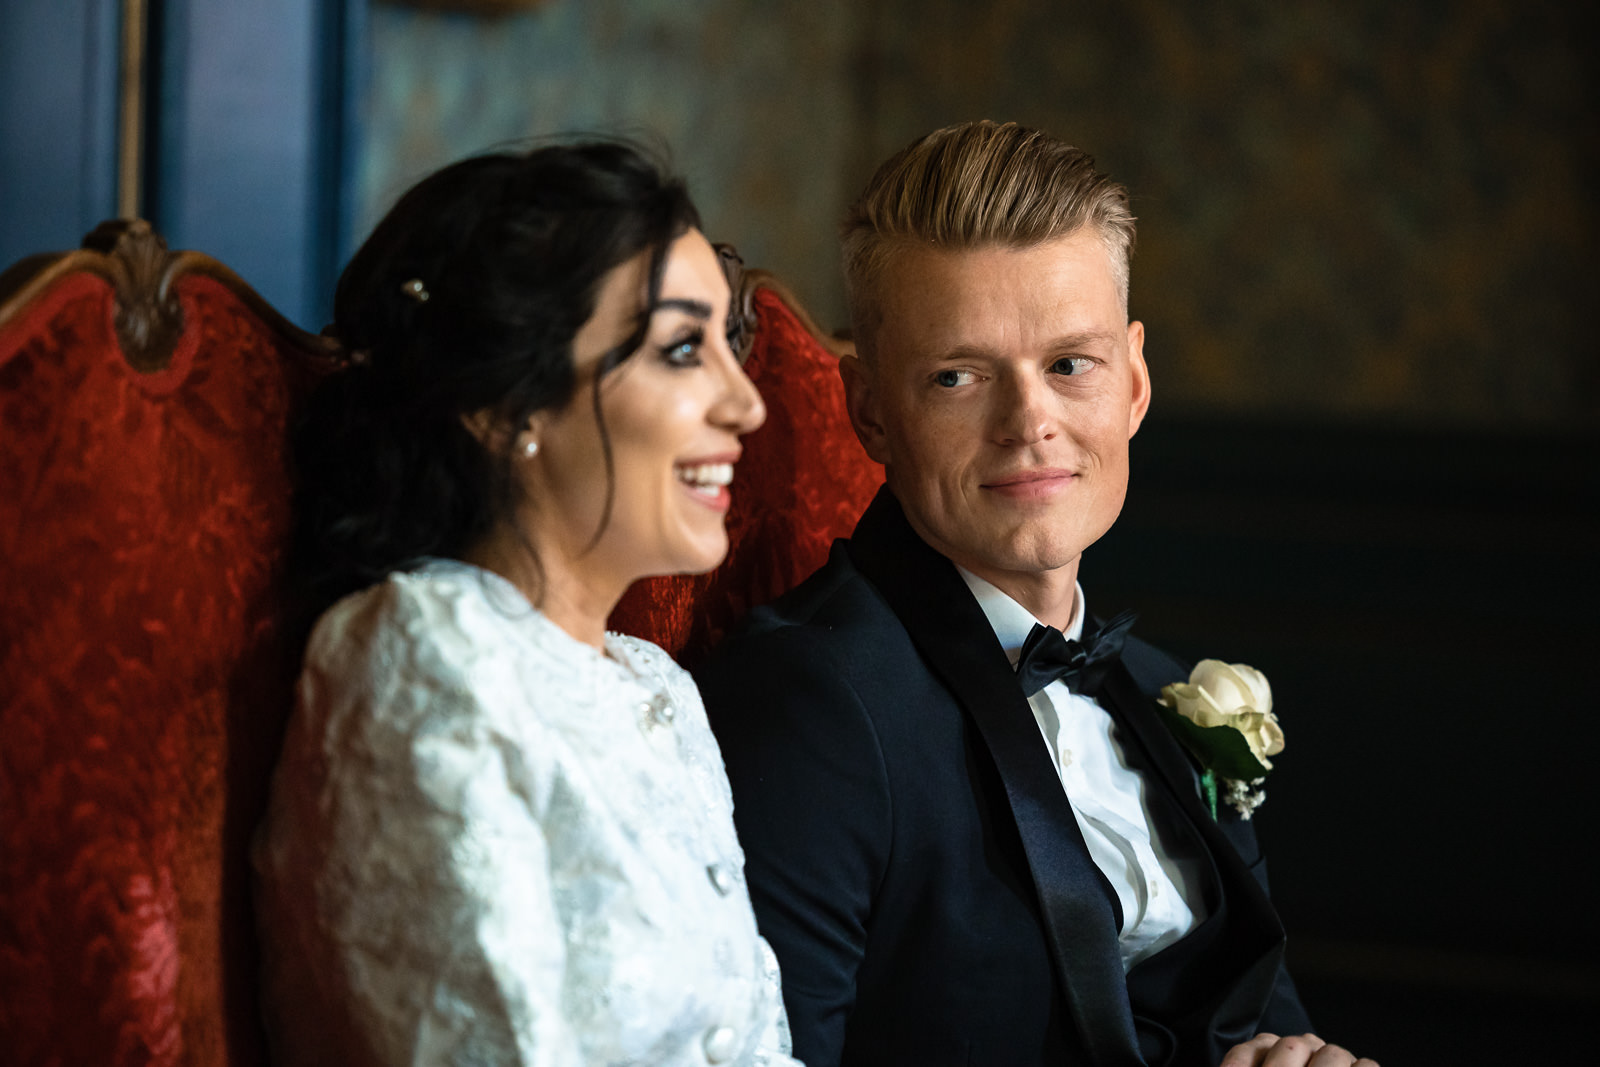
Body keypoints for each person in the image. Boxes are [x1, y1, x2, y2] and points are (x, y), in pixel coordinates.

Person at [695, 121, 1377, 1067]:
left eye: (1069, 364)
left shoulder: (1158, 685)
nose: (1030, 424)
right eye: (958, 376)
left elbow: (1259, 1016)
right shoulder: (812, 704)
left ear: (1134, 382)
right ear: (871, 412)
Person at [252, 140, 802, 1066]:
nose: (746, 403)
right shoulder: (427, 656)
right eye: (680, 350)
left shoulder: (653, 683)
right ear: (507, 407)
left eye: (728, 345)